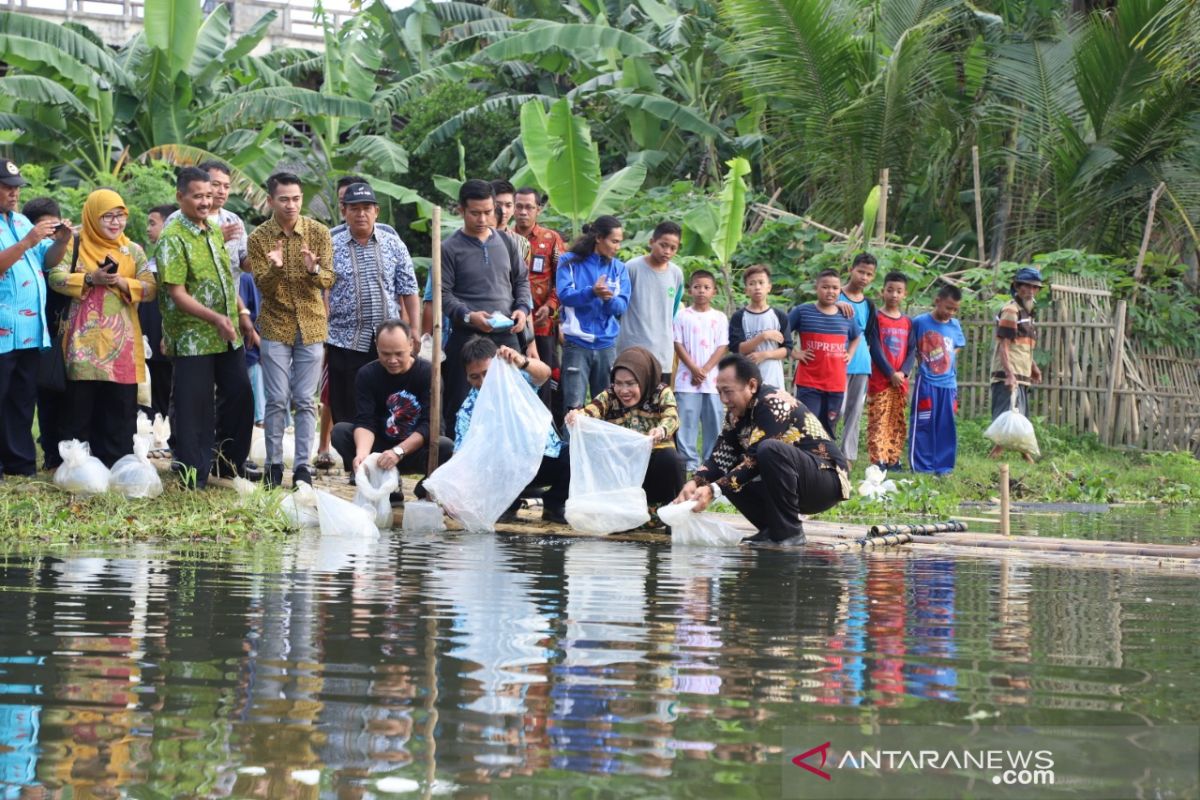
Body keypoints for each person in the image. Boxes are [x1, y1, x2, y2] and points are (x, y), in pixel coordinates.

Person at [675, 354, 851, 546]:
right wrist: (694, 483)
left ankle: (789, 533)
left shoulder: (772, 402)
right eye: (719, 392)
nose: (724, 400)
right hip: (795, 483)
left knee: (768, 449)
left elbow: (755, 461)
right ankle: (772, 529)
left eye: (728, 391)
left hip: (826, 480)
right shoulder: (735, 415)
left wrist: (712, 490)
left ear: (751, 385)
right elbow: (720, 459)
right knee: (730, 471)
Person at [157, 167, 257, 488]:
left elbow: (227, 279)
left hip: (227, 334)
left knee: (241, 394)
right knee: (193, 408)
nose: (204, 202)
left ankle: (227, 465)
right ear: (181, 197)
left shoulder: (214, 230)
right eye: (197, 196)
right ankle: (193, 475)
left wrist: (241, 313)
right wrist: (215, 318)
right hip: (192, 337)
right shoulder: (173, 237)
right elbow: (176, 293)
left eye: (208, 195)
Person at [47, 190, 156, 467]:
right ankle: (78, 468)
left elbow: (151, 288)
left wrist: (121, 282)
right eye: (107, 216)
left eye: (120, 215)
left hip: (123, 345)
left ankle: (117, 466)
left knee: (120, 409)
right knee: (79, 409)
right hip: (82, 344)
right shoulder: (75, 244)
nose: (115, 222)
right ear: (93, 217)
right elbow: (55, 278)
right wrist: (89, 278)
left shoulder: (133, 250)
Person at [247, 171, 334, 488]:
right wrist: (275, 268)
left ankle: (302, 467)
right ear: (270, 201)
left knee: (306, 399)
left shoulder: (318, 232)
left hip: (311, 323)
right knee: (276, 399)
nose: (291, 205)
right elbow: (263, 287)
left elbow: (329, 279)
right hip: (275, 324)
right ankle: (272, 464)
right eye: (284, 199)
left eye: (296, 199)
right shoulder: (258, 238)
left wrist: (314, 269)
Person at [0, 158, 71, 479]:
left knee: (21, 400)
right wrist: (28, 241)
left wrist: (61, 241)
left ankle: (20, 463)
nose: (14, 194)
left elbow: (46, 260)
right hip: (2, 329)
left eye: (16, 188)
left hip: (29, 330)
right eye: (7, 187)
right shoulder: (25, 232)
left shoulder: (19, 222)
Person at [327, 182, 420, 428]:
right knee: (345, 405)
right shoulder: (329, 245)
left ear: (376, 211)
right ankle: (352, 460)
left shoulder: (393, 244)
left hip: (386, 341)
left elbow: (409, 289)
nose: (361, 214)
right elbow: (320, 290)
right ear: (344, 211)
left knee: (387, 403)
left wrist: (416, 330)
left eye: (366, 208)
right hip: (344, 339)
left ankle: (384, 458)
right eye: (354, 208)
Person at [440, 179, 530, 429]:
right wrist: (469, 316)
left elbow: (522, 281)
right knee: (460, 405)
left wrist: (522, 310)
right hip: (467, 336)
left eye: (488, 212)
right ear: (461, 211)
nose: (482, 219)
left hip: (506, 334)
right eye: (475, 213)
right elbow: (444, 295)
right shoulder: (449, 248)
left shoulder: (507, 242)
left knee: (513, 401)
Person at [332, 320, 452, 498]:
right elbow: (365, 421)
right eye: (385, 354)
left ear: (411, 345)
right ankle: (379, 481)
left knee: (445, 446)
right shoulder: (367, 374)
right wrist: (362, 454)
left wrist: (399, 451)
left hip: (414, 448)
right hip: (380, 448)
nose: (392, 360)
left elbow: (429, 425)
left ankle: (427, 485)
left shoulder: (428, 374)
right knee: (340, 432)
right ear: (377, 347)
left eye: (398, 353)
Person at [456, 336, 568, 524]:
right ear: (467, 377)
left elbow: (545, 373)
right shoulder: (467, 410)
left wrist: (521, 360)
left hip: (539, 459)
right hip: (500, 472)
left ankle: (554, 504)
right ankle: (506, 506)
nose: (483, 381)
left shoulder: (517, 379)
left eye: (487, 373)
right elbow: (461, 457)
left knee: (572, 455)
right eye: (474, 377)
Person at [565, 347, 684, 518]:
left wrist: (660, 430)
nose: (623, 390)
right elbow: (592, 410)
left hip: (654, 469)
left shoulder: (661, 393)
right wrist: (577, 416)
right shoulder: (610, 396)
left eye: (630, 383)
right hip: (623, 471)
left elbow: (672, 417)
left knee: (671, 459)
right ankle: (626, 513)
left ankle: (671, 512)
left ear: (644, 380)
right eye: (618, 383)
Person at [557, 215, 630, 411]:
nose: (617, 247)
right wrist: (591, 292)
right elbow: (564, 295)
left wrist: (608, 298)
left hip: (607, 344)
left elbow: (621, 307)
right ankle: (570, 443)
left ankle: (602, 443)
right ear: (598, 238)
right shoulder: (569, 261)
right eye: (614, 241)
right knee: (574, 405)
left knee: (607, 406)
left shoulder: (620, 268)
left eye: (619, 242)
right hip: (576, 344)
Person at [24, 197, 71, 469]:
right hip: (41, 333)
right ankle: (51, 453)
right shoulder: (28, 252)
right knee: (46, 392)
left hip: (69, 331)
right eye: (43, 230)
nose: (49, 237)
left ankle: (67, 451)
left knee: (69, 394)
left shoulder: (69, 248)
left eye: (53, 229)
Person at [511, 187, 566, 414]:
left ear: (538, 210)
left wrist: (551, 306)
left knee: (547, 374)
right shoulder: (505, 237)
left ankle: (551, 425)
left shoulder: (551, 239)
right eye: (519, 206)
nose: (523, 212)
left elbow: (563, 279)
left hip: (543, 324)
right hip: (512, 322)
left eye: (529, 207)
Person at [788, 269, 861, 437]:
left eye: (835, 288)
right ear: (816, 288)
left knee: (829, 429)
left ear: (840, 290)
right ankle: (805, 461)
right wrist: (795, 353)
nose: (830, 291)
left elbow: (856, 337)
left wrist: (850, 353)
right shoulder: (802, 311)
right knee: (807, 426)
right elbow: (780, 333)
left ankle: (825, 461)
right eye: (825, 287)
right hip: (809, 382)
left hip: (835, 383)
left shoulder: (846, 314)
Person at [904, 284, 966, 475]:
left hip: (949, 385)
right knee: (923, 424)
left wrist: (949, 356)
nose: (951, 312)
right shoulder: (920, 322)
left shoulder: (955, 325)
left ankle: (944, 467)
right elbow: (910, 347)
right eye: (948, 307)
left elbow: (958, 345)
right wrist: (922, 358)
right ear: (937, 301)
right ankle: (921, 467)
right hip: (927, 383)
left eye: (955, 309)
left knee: (946, 426)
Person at [672, 270, 729, 471]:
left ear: (713, 291)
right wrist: (694, 369)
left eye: (706, 287)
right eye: (697, 287)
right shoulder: (681, 315)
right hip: (686, 380)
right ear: (690, 290)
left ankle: (710, 463)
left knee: (714, 423)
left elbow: (722, 346)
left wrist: (704, 369)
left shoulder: (720, 317)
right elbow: (677, 343)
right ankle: (689, 464)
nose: (701, 291)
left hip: (713, 382)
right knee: (686, 423)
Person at [615, 220, 684, 384]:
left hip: (662, 352)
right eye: (663, 245)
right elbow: (618, 306)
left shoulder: (676, 274)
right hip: (631, 348)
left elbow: (672, 310)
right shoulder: (632, 268)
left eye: (673, 248)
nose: (667, 251)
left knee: (658, 403)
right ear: (652, 242)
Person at [989, 267, 1044, 462]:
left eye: (1035, 287)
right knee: (1008, 415)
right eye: (1026, 286)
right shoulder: (1011, 310)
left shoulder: (1027, 312)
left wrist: (1033, 367)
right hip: (1008, 373)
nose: (1030, 290)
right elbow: (1004, 345)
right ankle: (1000, 456)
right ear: (1017, 287)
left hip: (1022, 373)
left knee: (1017, 415)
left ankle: (1022, 456)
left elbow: (1023, 347)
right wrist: (1009, 374)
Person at [167, 161, 248, 280]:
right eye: (216, 184)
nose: (222, 191)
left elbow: (245, 265)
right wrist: (216, 239)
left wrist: (263, 253)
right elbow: (174, 266)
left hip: (229, 297)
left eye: (226, 186)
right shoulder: (177, 220)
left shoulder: (234, 220)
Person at [865, 271, 912, 470]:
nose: (894, 295)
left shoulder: (908, 322)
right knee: (879, 419)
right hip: (880, 379)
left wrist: (903, 373)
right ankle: (879, 459)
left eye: (898, 291)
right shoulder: (876, 318)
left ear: (905, 294)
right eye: (890, 290)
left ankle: (894, 459)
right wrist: (890, 372)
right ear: (882, 292)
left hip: (900, 381)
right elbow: (874, 347)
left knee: (897, 420)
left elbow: (912, 349)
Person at [835, 253, 877, 464]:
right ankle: (827, 452)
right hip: (836, 362)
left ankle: (847, 457)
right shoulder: (835, 294)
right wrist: (836, 305)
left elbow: (869, 335)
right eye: (861, 271)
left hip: (861, 363)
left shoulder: (869, 304)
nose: (864, 277)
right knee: (836, 409)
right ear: (851, 269)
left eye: (869, 274)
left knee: (854, 412)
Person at [138, 203, 176, 423]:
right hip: (148, 340)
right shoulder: (149, 262)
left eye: (153, 223)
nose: (148, 229)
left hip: (164, 337)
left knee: (165, 389)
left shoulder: (171, 261)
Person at [729, 264, 790, 390]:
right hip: (746, 380)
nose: (757, 287)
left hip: (774, 379)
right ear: (746, 289)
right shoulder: (739, 317)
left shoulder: (779, 316)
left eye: (761, 283)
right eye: (752, 283)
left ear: (769, 287)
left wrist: (765, 354)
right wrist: (763, 336)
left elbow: (787, 349)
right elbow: (737, 348)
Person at [329, 175, 399, 238]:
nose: (361, 214)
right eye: (342, 201)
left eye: (366, 207)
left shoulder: (388, 233)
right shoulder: (331, 236)